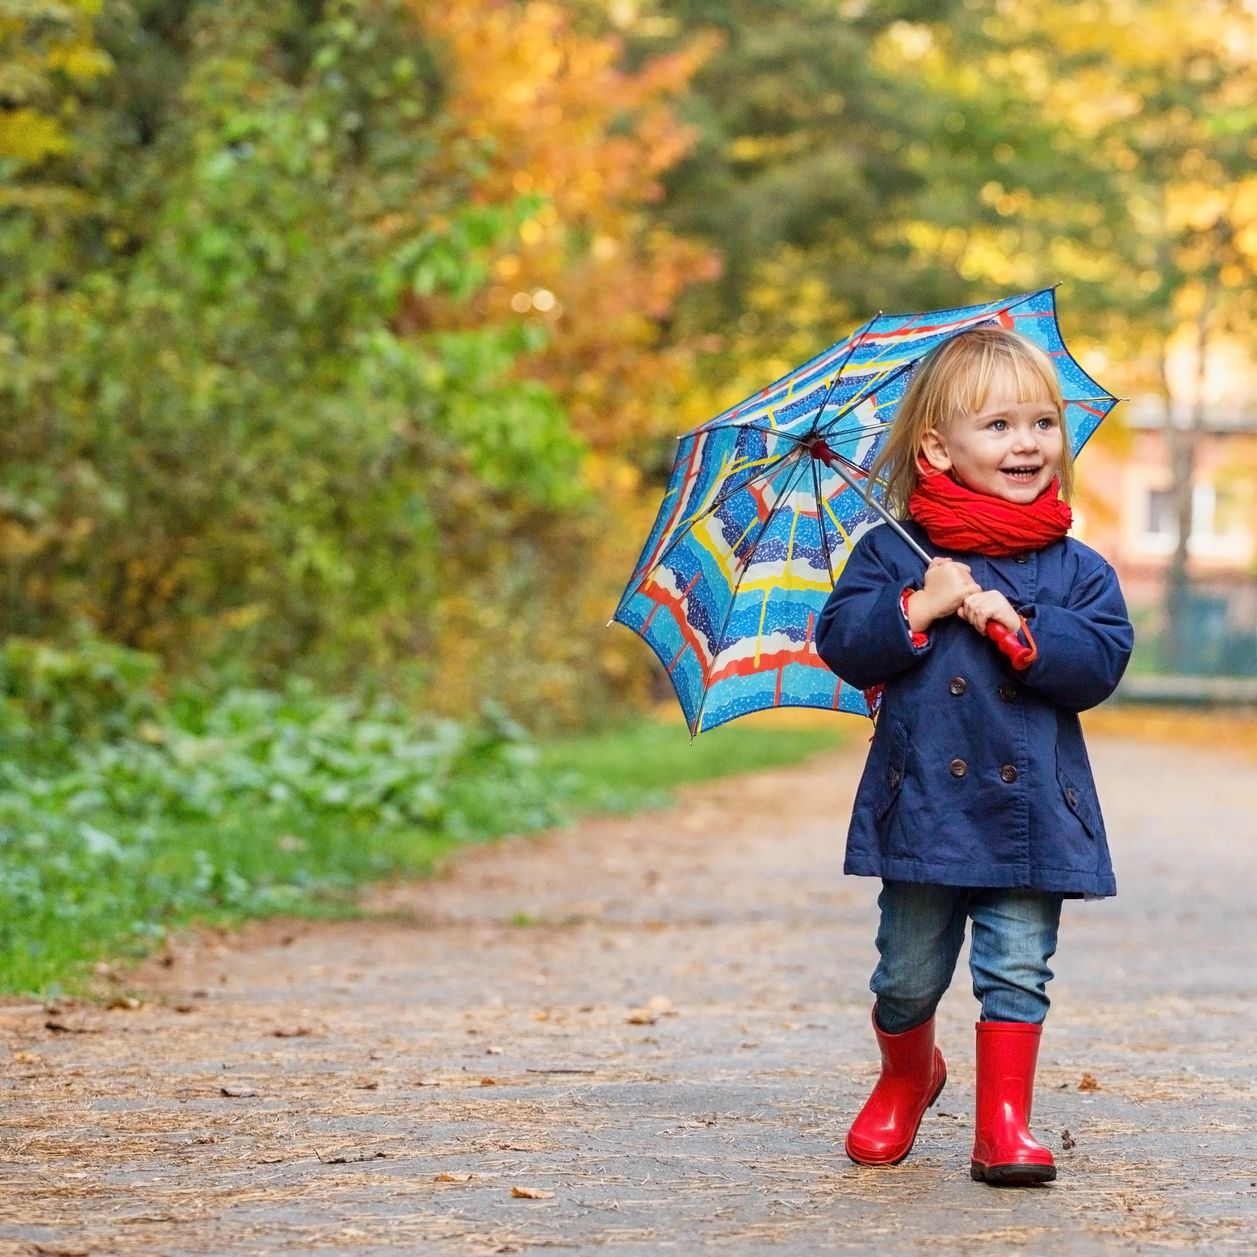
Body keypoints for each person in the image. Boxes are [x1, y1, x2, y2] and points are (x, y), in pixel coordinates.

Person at [814, 326, 1134, 1186]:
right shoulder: (893, 551)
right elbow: (842, 641)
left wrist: (1024, 632)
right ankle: (908, 1070)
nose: (1026, 442)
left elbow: (1103, 658)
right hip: (921, 804)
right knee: (906, 972)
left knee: (1017, 966)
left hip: (1031, 812)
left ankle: (1004, 1123)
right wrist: (917, 607)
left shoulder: (1076, 566)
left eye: (1041, 422)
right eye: (996, 425)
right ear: (935, 448)